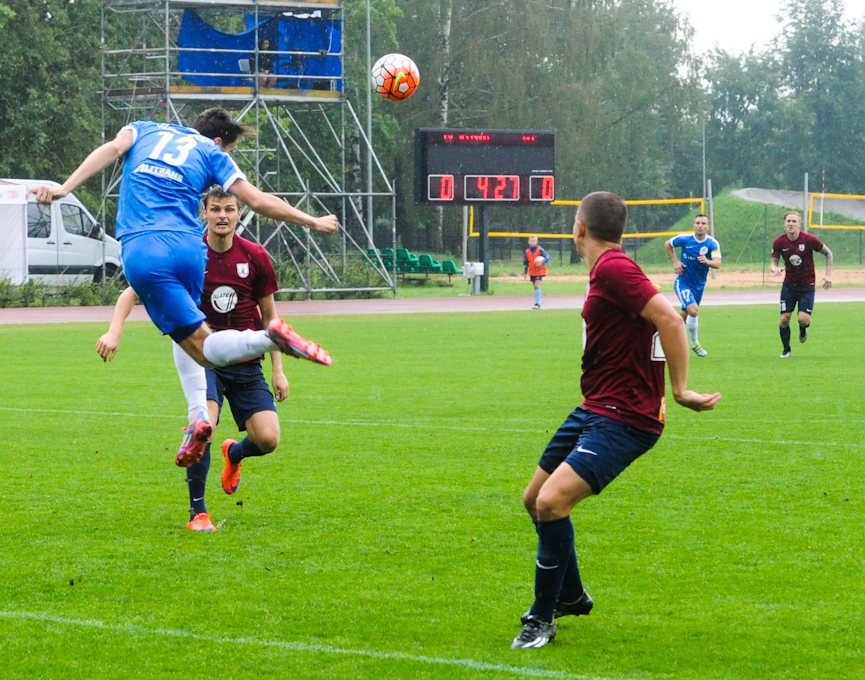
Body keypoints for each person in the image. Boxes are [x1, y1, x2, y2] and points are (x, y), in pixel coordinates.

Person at [29, 107, 339, 468]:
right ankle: (208, 412)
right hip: (191, 248)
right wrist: (312, 221)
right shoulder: (210, 153)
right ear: (219, 142)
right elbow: (257, 200)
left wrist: (64, 187)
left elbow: (111, 150)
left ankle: (247, 363)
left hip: (144, 247)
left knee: (202, 349)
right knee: (198, 336)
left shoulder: (143, 129)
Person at [512, 192, 721, 650]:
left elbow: (669, 317)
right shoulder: (607, 270)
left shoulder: (613, 268)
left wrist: (679, 389)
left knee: (550, 503)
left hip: (627, 418)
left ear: (580, 228)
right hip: (595, 407)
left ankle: (542, 619)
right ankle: (570, 595)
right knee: (534, 500)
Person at [97, 187, 291, 532]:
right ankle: (198, 513)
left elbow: (269, 319)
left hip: (246, 361)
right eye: (215, 209)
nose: (222, 215)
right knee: (204, 427)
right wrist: (114, 332)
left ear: (238, 214)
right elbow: (132, 290)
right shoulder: (188, 253)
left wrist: (278, 370)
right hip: (203, 357)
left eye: (229, 209)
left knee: (268, 440)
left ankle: (234, 455)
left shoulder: (256, 257)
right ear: (204, 213)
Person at [770, 211, 833, 358]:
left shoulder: (809, 239)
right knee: (784, 318)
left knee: (803, 320)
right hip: (789, 286)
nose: (791, 224)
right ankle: (786, 350)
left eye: (794, 221)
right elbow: (774, 261)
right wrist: (775, 268)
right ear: (784, 224)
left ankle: (803, 329)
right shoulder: (779, 242)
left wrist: (828, 274)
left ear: (799, 223)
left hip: (807, 286)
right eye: (788, 221)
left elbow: (828, 253)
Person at [663, 214, 722, 357]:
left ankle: (662, 340)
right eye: (698, 223)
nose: (700, 226)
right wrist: (675, 261)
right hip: (683, 282)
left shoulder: (712, 244)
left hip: (698, 286)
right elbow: (668, 244)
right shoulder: (685, 239)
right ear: (694, 225)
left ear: (708, 226)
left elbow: (717, 263)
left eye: (703, 223)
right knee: (694, 311)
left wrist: (707, 261)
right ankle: (695, 343)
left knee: (680, 319)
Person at [523, 235, 550, 309]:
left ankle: (538, 303)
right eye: (531, 241)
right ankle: (537, 301)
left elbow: (547, 256)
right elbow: (525, 262)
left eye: (534, 241)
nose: (532, 242)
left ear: (536, 242)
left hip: (539, 271)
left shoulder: (540, 249)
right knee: (535, 287)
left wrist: (543, 262)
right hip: (532, 271)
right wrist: (525, 272)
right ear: (528, 242)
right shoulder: (527, 251)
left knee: (537, 285)